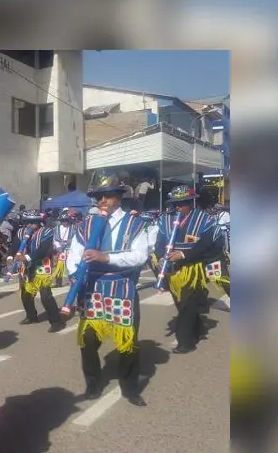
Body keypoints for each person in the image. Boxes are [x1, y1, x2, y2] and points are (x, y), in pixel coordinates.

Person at [66, 172, 151, 407]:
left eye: (108, 195)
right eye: (99, 196)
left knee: (127, 342)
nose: (103, 200)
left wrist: (105, 257)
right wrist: (74, 275)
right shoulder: (86, 224)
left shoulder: (135, 224)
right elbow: (73, 253)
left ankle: (130, 387)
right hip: (92, 287)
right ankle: (93, 382)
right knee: (88, 340)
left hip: (121, 286)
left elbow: (139, 256)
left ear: (119, 197)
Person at [155, 185, 226, 353]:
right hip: (172, 270)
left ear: (191, 202)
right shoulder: (166, 220)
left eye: (183, 203)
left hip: (193, 269)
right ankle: (198, 329)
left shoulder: (205, 219)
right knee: (182, 304)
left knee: (187, 305)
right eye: (176, 204)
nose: (178, 207)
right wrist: (161, 256)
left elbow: (206, 245)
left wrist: (183, 254)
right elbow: (159, 243)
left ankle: (185, 342)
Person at [16, 212, 66, 332]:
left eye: (32, 222)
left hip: (41, 265)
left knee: (45, 296)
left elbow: (44, 250)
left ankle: (56, 321)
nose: (29, 224)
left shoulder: (47, 232)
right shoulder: (21, 232)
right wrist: (9, 258)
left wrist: (26, 257)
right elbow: (15, 246)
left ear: (39, 222)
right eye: (27, 222)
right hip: (26, 267)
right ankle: (31, 316)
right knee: (25, 294)